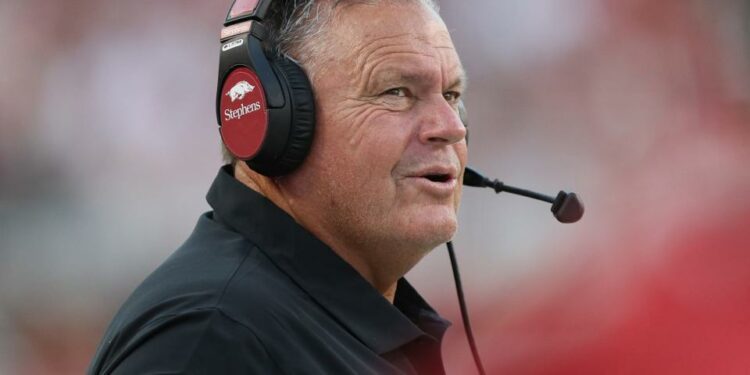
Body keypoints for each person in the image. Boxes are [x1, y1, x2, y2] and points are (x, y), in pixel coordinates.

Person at [88, 0, 468, 373]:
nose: (452, 127)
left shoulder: (291, 325)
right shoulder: (210, 337)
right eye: (396, 92)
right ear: (275, 119)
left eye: (451, 95)